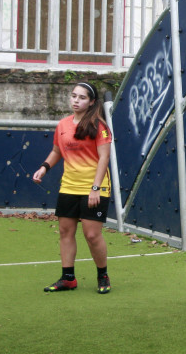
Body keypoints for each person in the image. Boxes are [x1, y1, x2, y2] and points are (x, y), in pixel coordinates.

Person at [32, 82, 113, 294]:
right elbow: (57, 152)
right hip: (69, 186)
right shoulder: (63, 125)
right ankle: (68, 278)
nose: (76, 101)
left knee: (92, 235)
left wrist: (95, 188)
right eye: (74, 96)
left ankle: (102, 275)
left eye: (82, 97)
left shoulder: (99, 126)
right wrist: (44, 167)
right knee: (65, 231)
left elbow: (104, 157)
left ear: (91, 102)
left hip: (95, 187)